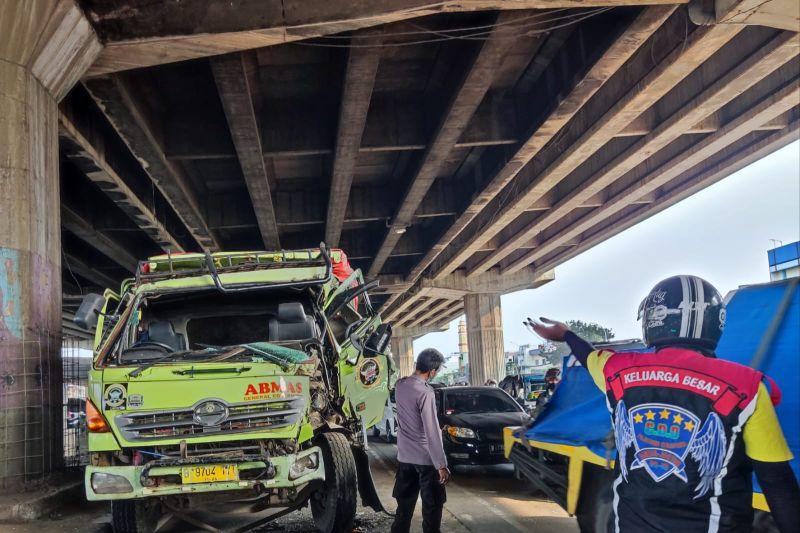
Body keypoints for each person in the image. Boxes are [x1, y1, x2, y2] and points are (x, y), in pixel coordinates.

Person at [531, 275, 799, 533]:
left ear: (652, 321)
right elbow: (777, 483)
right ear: (715, 323)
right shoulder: (746, 387)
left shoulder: (617, 371)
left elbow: (588, 357)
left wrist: (566, 335)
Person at [391, 348, 450, 533]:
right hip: (426, 461)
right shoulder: (426, 392)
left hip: (404, 459)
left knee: (403, 512)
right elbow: (432, 431)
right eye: (436, 371)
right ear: (431, 372)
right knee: (432, 510)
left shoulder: (400, 385)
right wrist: (441, 465)